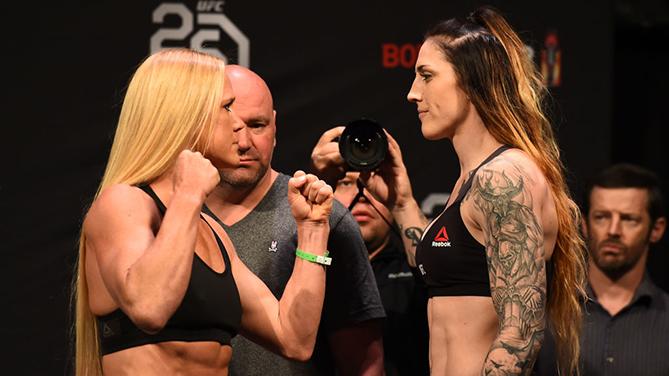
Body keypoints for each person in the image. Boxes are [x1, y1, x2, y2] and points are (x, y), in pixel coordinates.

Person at [355, 6, 588, 375]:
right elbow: (445, 266)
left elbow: (520, 336)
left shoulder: (504, 178)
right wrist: (401, 201)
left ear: (471, 80)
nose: (412, 94)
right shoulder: (474, 178)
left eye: (426, 76)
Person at [73, 48, 335, 375]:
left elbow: (294, 339)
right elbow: (149, 307)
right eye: (226, 107)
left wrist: (312, 231)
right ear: (186, 116)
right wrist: (188, 193)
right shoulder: (123, 203)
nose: (238, 123)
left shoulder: (213, 234)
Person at [203, 65, 386, 375]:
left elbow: (364, 363)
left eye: (257, 125)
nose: (245, 142)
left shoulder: (325, 220)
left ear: (275, 127)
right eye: (231, 127)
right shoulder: (174, 216)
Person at [310, 130, 430, 376]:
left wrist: (402, 202)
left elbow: (443, 285)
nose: (361, 195)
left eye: (371, 179)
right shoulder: (306, 264)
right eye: (345, 183)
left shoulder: (409, 268)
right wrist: (313, 182)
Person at [536, 163, 669, 375]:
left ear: (656, 229)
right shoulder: (544, 315)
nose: (613, 230)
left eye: (629, 219)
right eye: (602, 217)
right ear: (585, 225)